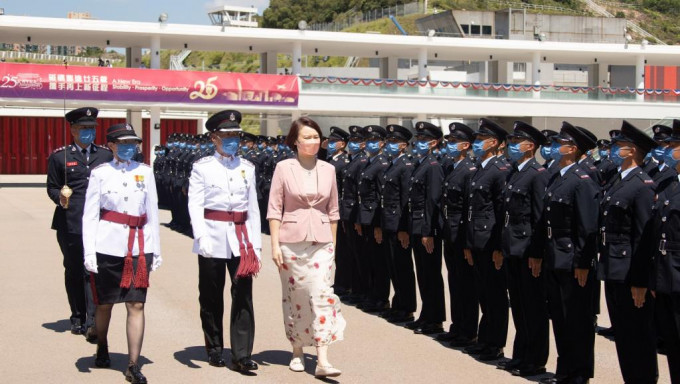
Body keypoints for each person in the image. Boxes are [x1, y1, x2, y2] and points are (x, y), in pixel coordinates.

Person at [82, 123, 162, 384]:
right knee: (104, 303)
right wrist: (89, 252)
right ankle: (102, 344)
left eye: (133, 143)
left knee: (136, 303)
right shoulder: (100, 174)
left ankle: (133, 364)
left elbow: (152, 211)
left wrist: (155, 250)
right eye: (124, 143)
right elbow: (90, 215)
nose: (130, 148)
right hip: (108, 245)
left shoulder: (145, 172)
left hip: (139, 247)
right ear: (112, 146)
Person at [268, 117, 346, 378]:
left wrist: (333, 246)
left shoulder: (329, 169)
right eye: (307, 137)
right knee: (296, 298)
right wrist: (274, 245)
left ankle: (323, 357)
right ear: (295, 141)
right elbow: (274, 209)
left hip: (321, 242)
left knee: (322, 294)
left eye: (316, 137)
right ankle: (298, 349)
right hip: (290, 242)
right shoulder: (283, 168)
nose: (313, 142)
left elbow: (333, 211)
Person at [187, 110, 261, 372]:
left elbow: (253, 208)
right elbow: (195, 205)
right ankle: (215, 347)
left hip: (241, 238)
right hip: (212, 235)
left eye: (236, 136)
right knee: (210, 294)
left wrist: (257, 244)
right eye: (226, 135)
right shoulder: (202, 168)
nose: (232, 140)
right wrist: (200, 236)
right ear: (214, 138)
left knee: (243, 294)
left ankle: (242, 354)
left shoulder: (247, 167)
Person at [538, 121, 600, 384]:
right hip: (555, 256)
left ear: (573, 149)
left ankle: (580, 371)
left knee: (578, 319)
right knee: (560, 318)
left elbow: (587, 226)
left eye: (561, 143)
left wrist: (583, 262)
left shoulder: (582, 180)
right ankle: (565, 368)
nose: (554, 147)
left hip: (573, 259)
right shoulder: (558, 177)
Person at [597, 121, 658, 384]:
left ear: (632, 150)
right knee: (623, 334)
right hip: (613, 267)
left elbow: (644, 238)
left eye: (618, 146)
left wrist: (640, 280)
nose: (613, 150)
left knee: (637, 334)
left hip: (630, 272)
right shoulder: (618, 180)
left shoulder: (642, 185)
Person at [46, 107, 113, 341]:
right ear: (73, 130)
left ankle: (93, 320)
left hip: (99, 222)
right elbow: (52, 187)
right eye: (83, 128)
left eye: (92, 129)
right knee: (74, 270)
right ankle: (77, 316)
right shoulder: (59, 156)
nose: (88, 133)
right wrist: (60, 197)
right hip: (70, 223)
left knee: (92, 270)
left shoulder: (105, 156)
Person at [498, 121, 550, 377]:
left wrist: (537, 253)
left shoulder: (537, 174)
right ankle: (521, 354)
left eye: (516, 142)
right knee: (518, 305)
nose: (511, 146)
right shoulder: (514, 172)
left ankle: (536, 359)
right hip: (512, 246)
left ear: (530, 146)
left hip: (527, 249)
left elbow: (539, 218)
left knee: (533, 307)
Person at [462, 118, 510, 361]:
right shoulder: (481, 167)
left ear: (493, 142)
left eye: (481, 140)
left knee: (495, 294)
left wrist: (499, 247)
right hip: (477, 240)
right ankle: (485, 338)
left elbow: (501, 212)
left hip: (491, 242)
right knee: (484, 292)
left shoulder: (500, 170)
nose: (476, 143)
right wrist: (469, 243)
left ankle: (496, 343)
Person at [438, 123, 479, 346]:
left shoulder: (468, 170)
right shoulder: (453, 168)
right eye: (449, 142)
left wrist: (467, 241)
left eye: (454, 142)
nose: (449, 146)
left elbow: (467, 209)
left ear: (465, 146)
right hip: (450, 233)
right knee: (454, 282)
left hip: (461, 235)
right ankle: (457, 326)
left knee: (466, 285)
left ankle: (468, 330)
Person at [405, 121, 445, 336]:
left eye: (422, 140)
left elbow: (433, 201)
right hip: (417, 226)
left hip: (426, 229)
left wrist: (428, 231)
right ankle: (426, 314)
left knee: (431, 274)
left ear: (433, 142)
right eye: (417, 139)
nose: (417, 143)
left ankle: (435, 319)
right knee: (423, 274)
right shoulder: (421, 163)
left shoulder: (433, 166)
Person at [651, 119, 680, 383]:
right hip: (667, 276)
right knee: (673, 345)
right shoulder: (669, 183)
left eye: (674, 145)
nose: (670, 150)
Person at [379, 124, 417, 324]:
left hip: (398, 224)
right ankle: (398, 303)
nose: (389, 145)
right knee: (393, 266)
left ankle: (407, 307)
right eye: (388, 141)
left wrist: (404, 228)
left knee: (402, 267)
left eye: (394, 142)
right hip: (388, 222)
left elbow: (405, 199)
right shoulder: (393, 164)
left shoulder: (406, 166)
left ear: (403, 145)